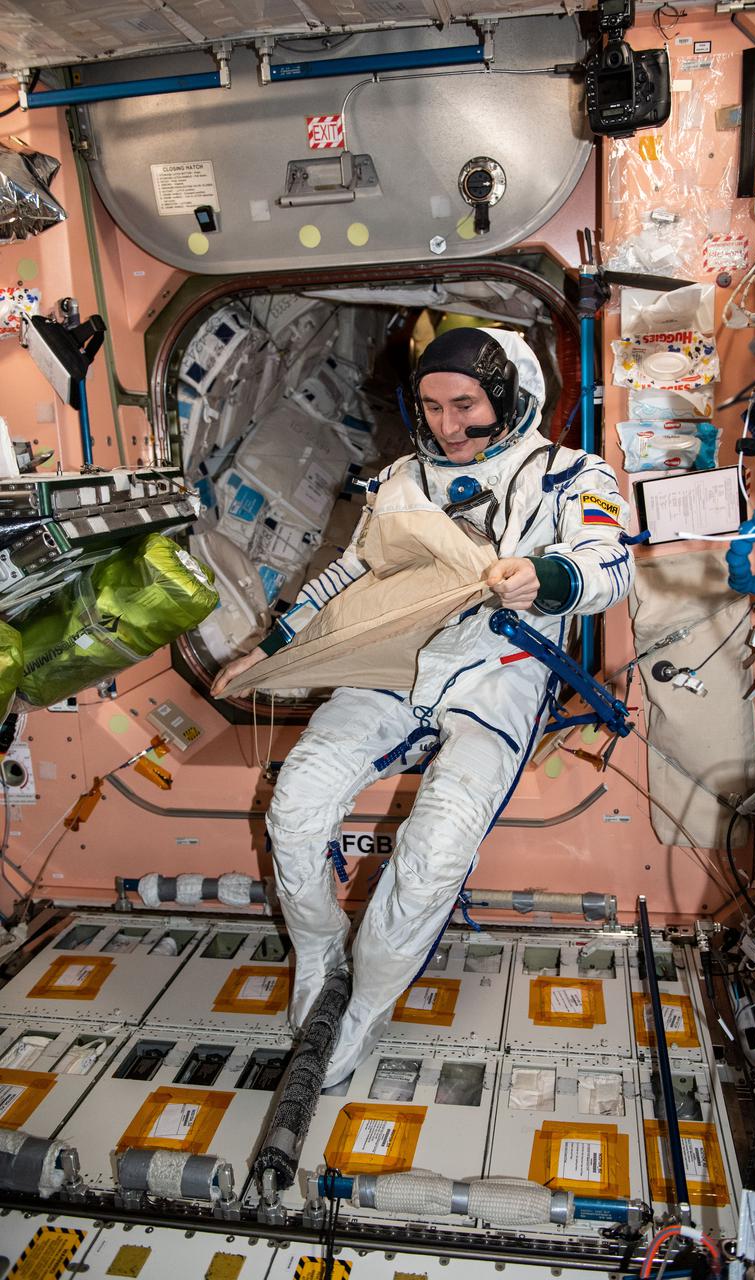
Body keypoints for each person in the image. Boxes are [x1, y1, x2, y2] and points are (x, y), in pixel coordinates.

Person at [212, 327, 634, 1085]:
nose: (447, 425)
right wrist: (269, 651)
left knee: (435, 851)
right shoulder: (400, 480)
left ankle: (367, 999)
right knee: (297, 804)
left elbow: (609, 561)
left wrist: (546, 575)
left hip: (500, 672)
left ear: (506, 398)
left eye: (464, 405)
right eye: (431, 407)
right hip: (395, 662)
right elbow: (346, 576)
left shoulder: (572, 474)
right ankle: (317, 949)